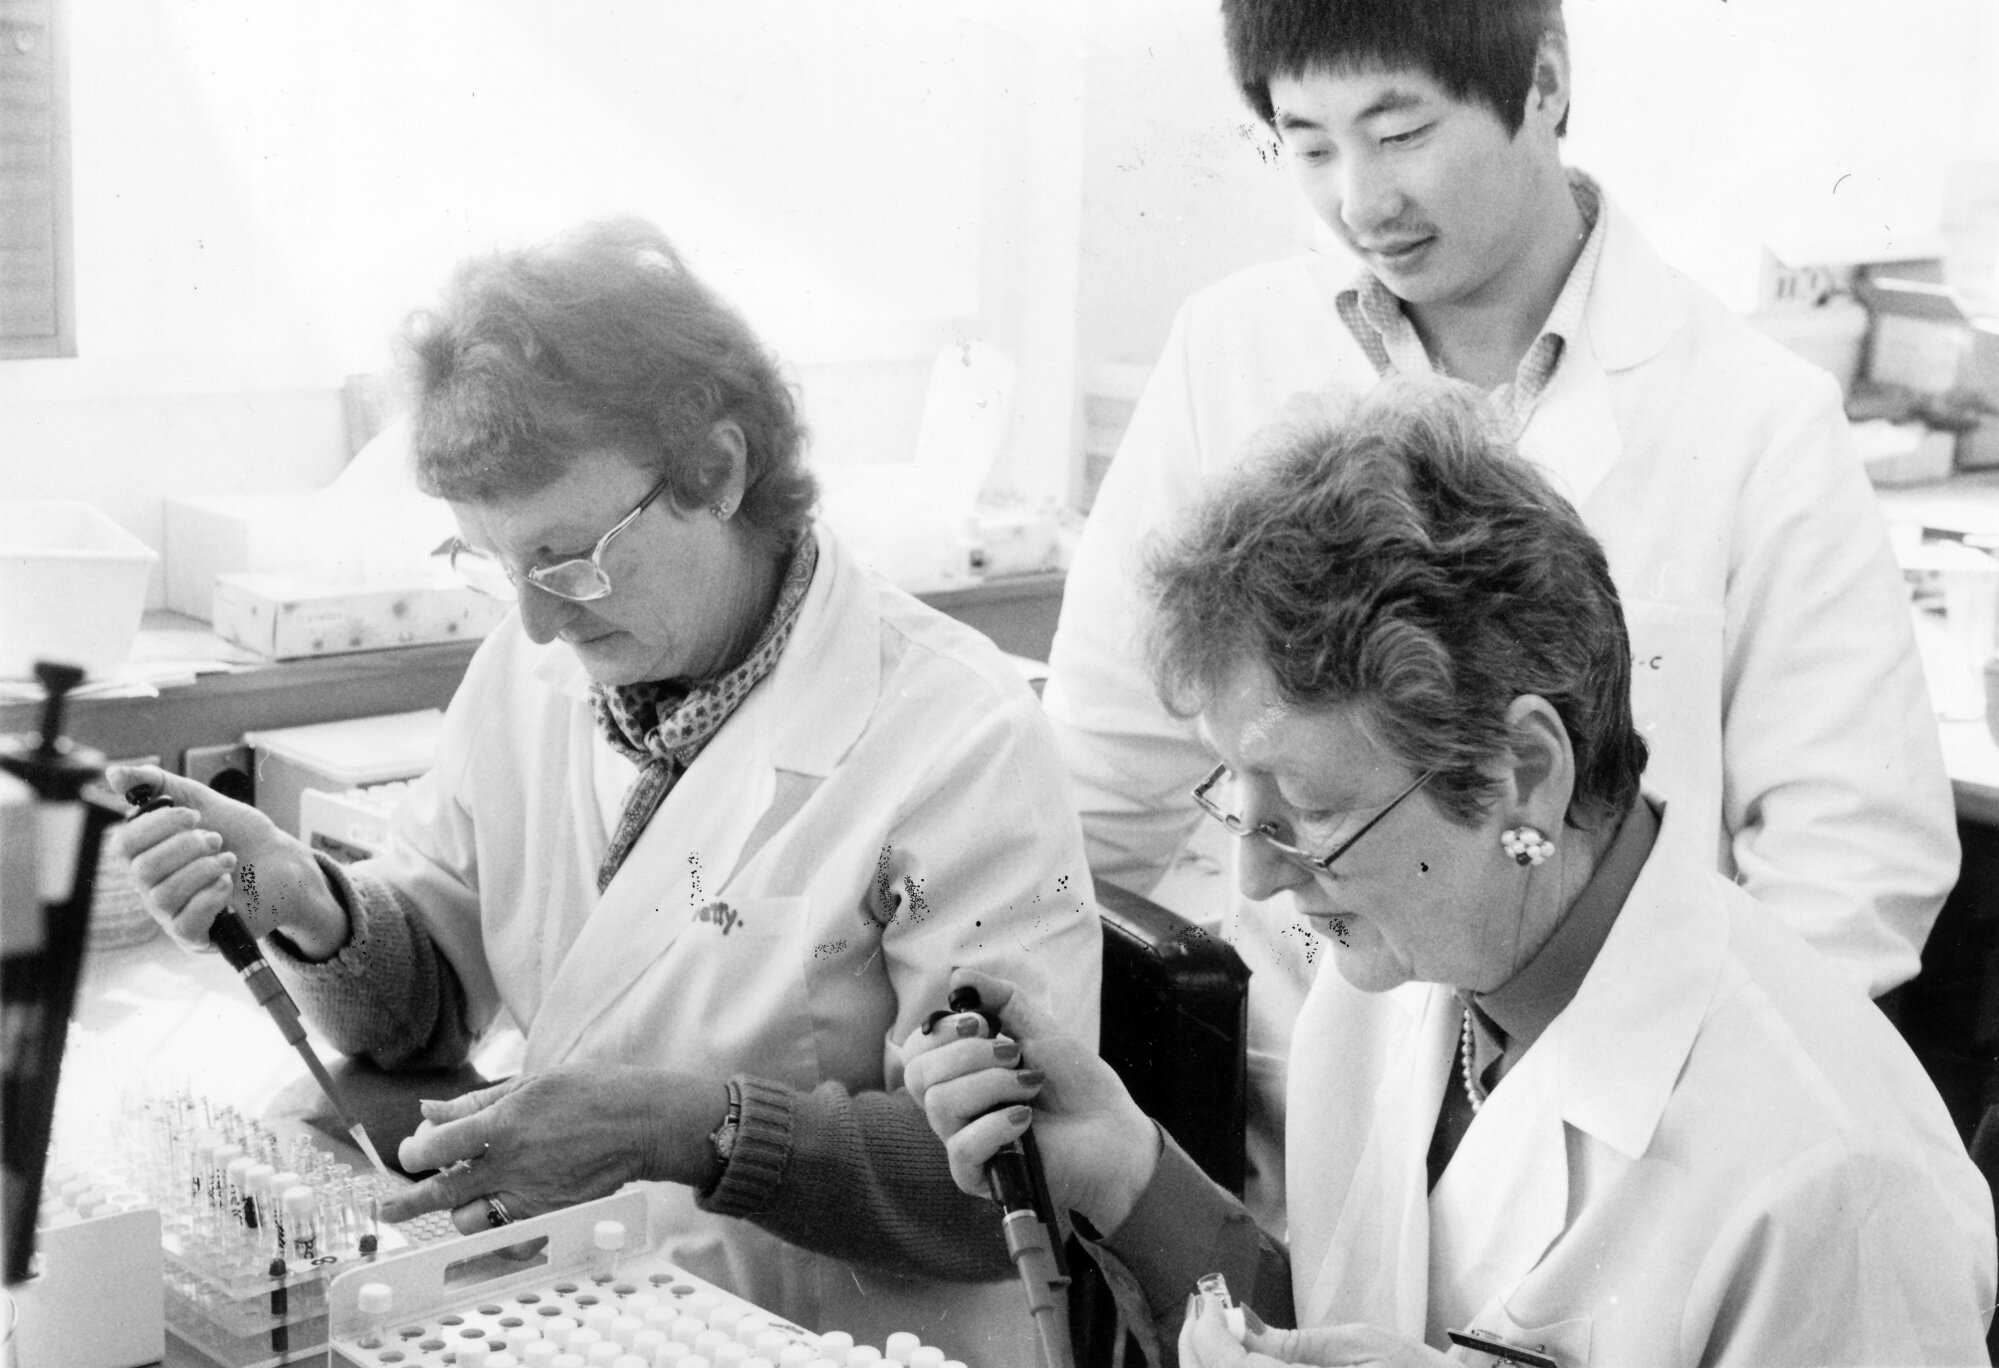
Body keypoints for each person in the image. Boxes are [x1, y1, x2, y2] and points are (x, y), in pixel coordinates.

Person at [114, 216, 1102, 1360]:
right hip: (585, 1313)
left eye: (567, 557)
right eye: (493, 565)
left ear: (719, 471)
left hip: (830, 1336)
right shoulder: (539, 659)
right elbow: (435, 995)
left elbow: (1005, 1184)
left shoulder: (957, 734)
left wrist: (695, 1130)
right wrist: (310, 905)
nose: (534, 617)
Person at [1043, 0, 1957, 1231]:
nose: (1359, 201)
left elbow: (1853, 864)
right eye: (1307, 144)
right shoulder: (1231, 349)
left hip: (1639, 1136)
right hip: (1310, 1101)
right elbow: (1101, 770)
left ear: (1541, 85)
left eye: (1400, 130)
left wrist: (1680, 1129)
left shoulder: (1753, 415)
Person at [909, 379, 1994, 1368]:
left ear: (1521, 772)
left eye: (1314, 811)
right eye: (1240, 795)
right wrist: (1123, 1172)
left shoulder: (1829, 1179)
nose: (1256, 874)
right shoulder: (1416, 965)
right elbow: (1353, 1324)